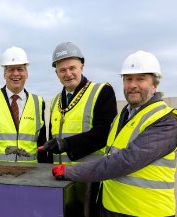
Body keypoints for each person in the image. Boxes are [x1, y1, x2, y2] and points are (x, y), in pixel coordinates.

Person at [51, 50, 177, 217]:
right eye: (128, 79)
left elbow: (126, 160)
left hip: (146, 211)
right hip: (111, 207)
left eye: (140, 79)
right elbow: (109, 155)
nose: (133, 85)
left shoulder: (165, 119)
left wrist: (71, 171)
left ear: (154, 84)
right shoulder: (122, 117)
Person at [39, 41, 118, 217]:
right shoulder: (55, 101)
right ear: (56, 73)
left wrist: (66, 144)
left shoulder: (102, 91)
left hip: (90, 179)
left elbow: (105, 132)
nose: (68, 74)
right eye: (62, 70)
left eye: (72, 68)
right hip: (60, 179)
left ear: (82, 66)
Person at [0, 46, 48, 163]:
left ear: (27, 73)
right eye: (11, 69)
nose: (16, 74)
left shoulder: (38, 102)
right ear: (4, 73)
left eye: (20, 69)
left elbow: (41, 142)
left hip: (29, 174)